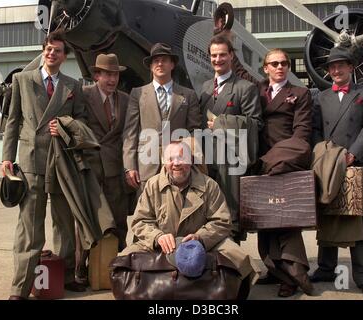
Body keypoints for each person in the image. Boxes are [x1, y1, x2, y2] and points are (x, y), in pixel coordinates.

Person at [1, 30, 87, 299]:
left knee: (64, 224)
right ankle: (21, 288)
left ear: (64, 56)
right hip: (30, 162)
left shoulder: (74, 86)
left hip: (61, 162)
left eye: (58, 50)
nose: (52, 53)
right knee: (30, 229)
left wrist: (64, 127)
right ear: (43, 51)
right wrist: (7, 157)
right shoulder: (22, 80)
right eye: (48, 48)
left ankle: (67, 276)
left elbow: (82, 124)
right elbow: (13, 122)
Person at [120, 141, 259, 297]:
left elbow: (222, 221)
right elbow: (140, 221)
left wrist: (200, 237)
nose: (176, 164)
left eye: (181, 158)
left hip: (203, 242)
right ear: (164, 162)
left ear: (191, 160)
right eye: (171, 159)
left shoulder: (209, 185)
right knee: (122, 261)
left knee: (239, 258)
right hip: (163, 242)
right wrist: (157, 237)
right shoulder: (152, 185)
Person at [234, 47, 314, 297]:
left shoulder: (300, 94)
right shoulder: (256, 89)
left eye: (284, 63)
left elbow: (301, 135)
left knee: (286, 222)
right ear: (265, 68)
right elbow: (237, 70)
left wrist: (272, 162)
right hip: (260, 164)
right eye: (275, 63)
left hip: (284, 165)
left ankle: (293, 277)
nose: (280, 67)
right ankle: (273, 269)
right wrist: (224, 34)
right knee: (265, 222)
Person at [311, 46, 363, 296]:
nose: (336, 70)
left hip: (356, 165)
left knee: (359, 220)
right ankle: (326, 268)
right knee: (327, 215)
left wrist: (353, 154)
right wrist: (323, 156)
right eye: (332, 66)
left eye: (341, 65)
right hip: (328, 165)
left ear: (351, 67)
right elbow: (316, 130)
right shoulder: (320, 97)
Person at [199, 35, 262, 241]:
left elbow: (255, 124)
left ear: (231, 56)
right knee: (207, 212)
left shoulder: (246, 88)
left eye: (223, 55)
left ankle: (233, 265)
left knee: (230, 215)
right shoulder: (205, 88)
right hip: (207, 161)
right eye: (214, 55)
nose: (218, 59)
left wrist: (222, 123)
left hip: (232, 162)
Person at [74, 53, 131, 284]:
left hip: (116, 170)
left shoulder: (126, 100)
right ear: (96, 75)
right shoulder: (83, 94)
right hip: (91, 168)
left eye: (115, 74)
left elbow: (130, 134)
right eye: (107, 74)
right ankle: (81, 267)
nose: (111, 79)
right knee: (87, 221)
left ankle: (116, 266)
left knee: (118, 221)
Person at [122, 43, 201, 192]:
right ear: (151, 66)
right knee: (147, 210)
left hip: (177, 165)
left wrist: (189, 160)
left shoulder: (188, 95)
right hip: (146, 165)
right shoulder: (137, 94)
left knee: (177, 206)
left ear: (172, 64)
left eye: (164, 60)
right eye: (156, 60)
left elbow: (194, 131)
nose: (160, 63)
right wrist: (129, 166)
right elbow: (130, 133)